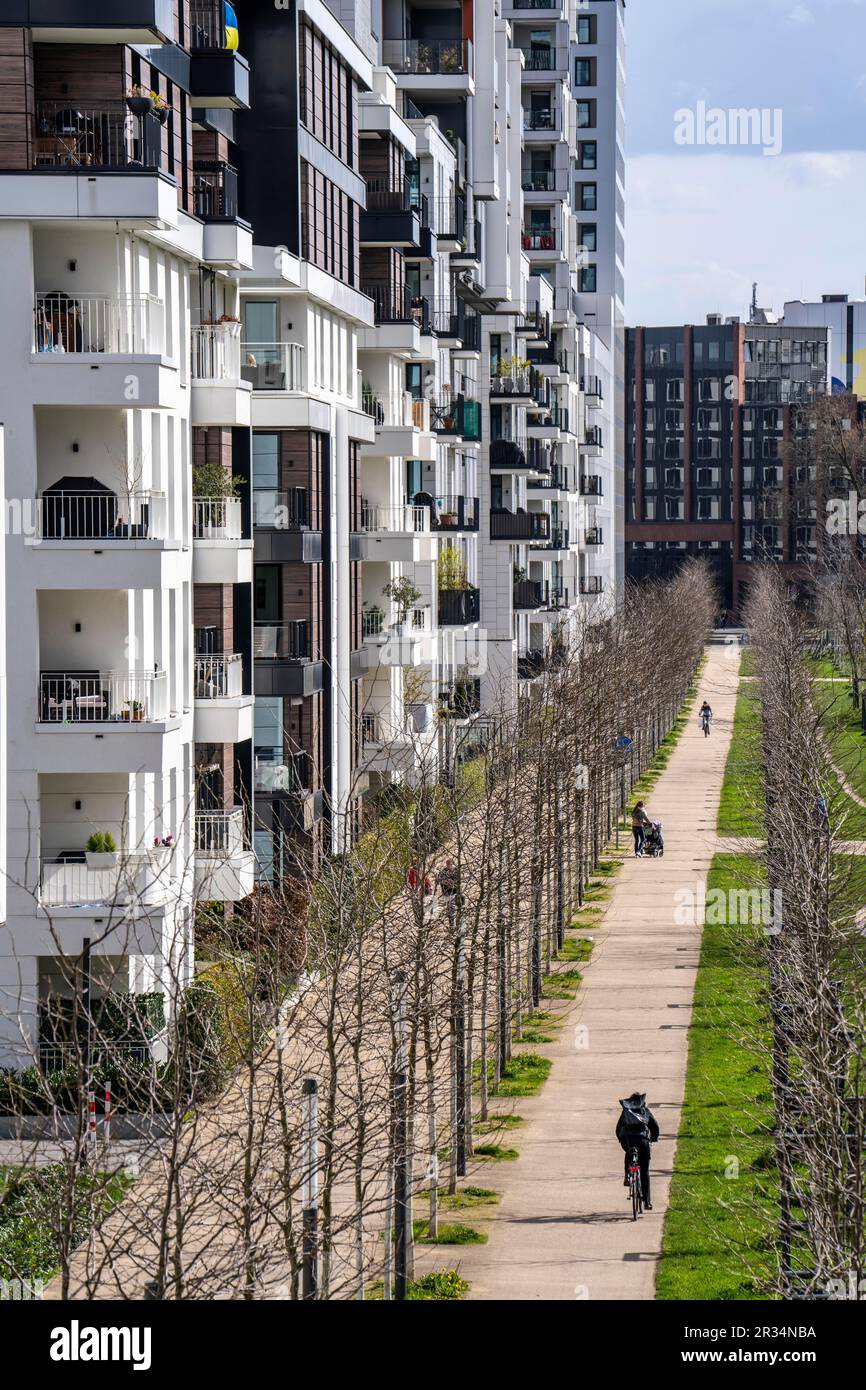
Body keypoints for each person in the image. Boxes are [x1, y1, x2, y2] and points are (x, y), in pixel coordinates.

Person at [616, 1092, 660, 1209]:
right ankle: (647, 1202)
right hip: (643, 1141)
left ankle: (627, 1177)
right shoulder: (644, 1110)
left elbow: (618, 1128)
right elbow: (654, 1126)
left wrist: (621, 1139)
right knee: (644, 1171)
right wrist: (654, 1138)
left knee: (629, 1152)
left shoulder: (626, 1111)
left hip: (628, 1140)